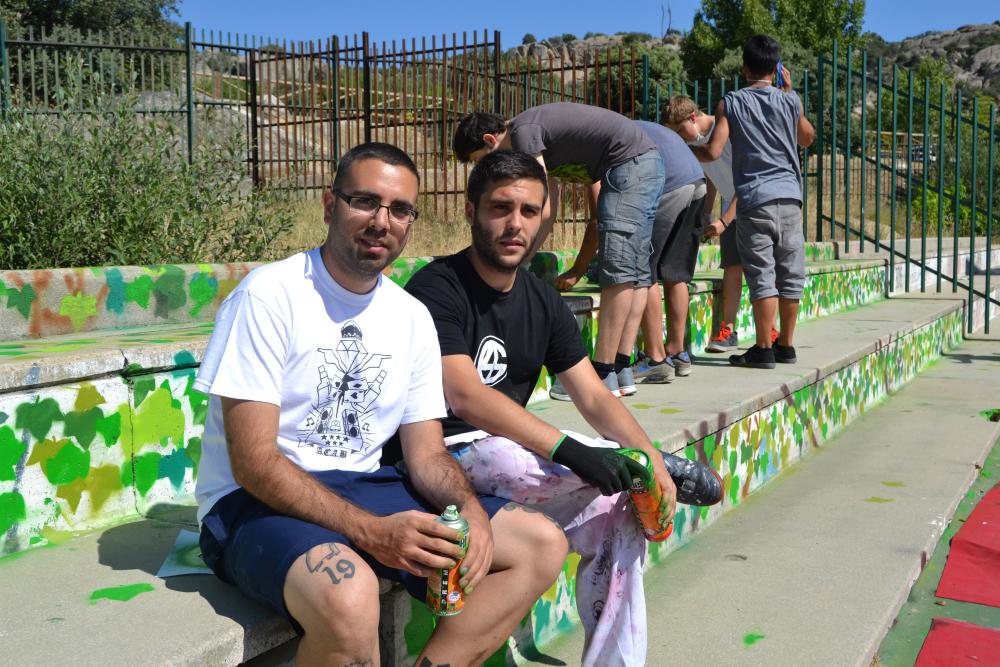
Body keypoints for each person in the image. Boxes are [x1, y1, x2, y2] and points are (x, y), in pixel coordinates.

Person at [194, 142, 568, 667]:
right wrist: (371, 532)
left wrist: (473, 516)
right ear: (330, 205)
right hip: (252, 503)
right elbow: (253, 464)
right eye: (364, 202)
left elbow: (427, 456)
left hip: (367, 486)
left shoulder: (410, 316)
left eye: (399, 209)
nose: (381, 221)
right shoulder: (269, 295)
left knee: (539, 545)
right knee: (351, 598)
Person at [401, 149, 722, 667]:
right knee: (501, 457)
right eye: (500, 208)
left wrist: (643, 452)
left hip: (521, 466)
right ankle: (635, 467)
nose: (515, 224)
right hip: (445, 459)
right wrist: (577, 452)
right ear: (471, 210)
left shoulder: (540, 297)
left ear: (544, 217)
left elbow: (592, 393)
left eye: (529, 211)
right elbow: (464, 395)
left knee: (620, 514)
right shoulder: (437, 287)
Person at [452, 103, 664, 397]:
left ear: (490, 140)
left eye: (481, 159)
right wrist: (518, 263)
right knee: (636, 271)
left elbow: (541, 206)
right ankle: (620, 369)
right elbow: (547, 214)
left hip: (629, 164)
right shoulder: (532, 135)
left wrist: (512, 262)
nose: (486, 169)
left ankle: (602, 373)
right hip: (643, 163)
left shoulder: (523, 133)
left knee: (618, 268)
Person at [693, 35, 816, 369]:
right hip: (790, 198)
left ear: (744, 67)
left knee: (762, 274)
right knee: (791, 275)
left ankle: (763, 349)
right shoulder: (790, 102)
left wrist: (683, 147)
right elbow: (807, 138)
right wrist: (790, 95)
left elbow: (714, 151)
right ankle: (786, 346)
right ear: (777, 68)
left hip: (753, 199)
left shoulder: (730, 103)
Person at [555, 120, 706, 385]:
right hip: (695, 179)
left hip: (668, 184)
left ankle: (656, 359)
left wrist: (577, 270)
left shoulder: (597, 156)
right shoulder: (619, 132)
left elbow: (598, 223)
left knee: (641, 267)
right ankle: (677, 352)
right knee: (674, 273)